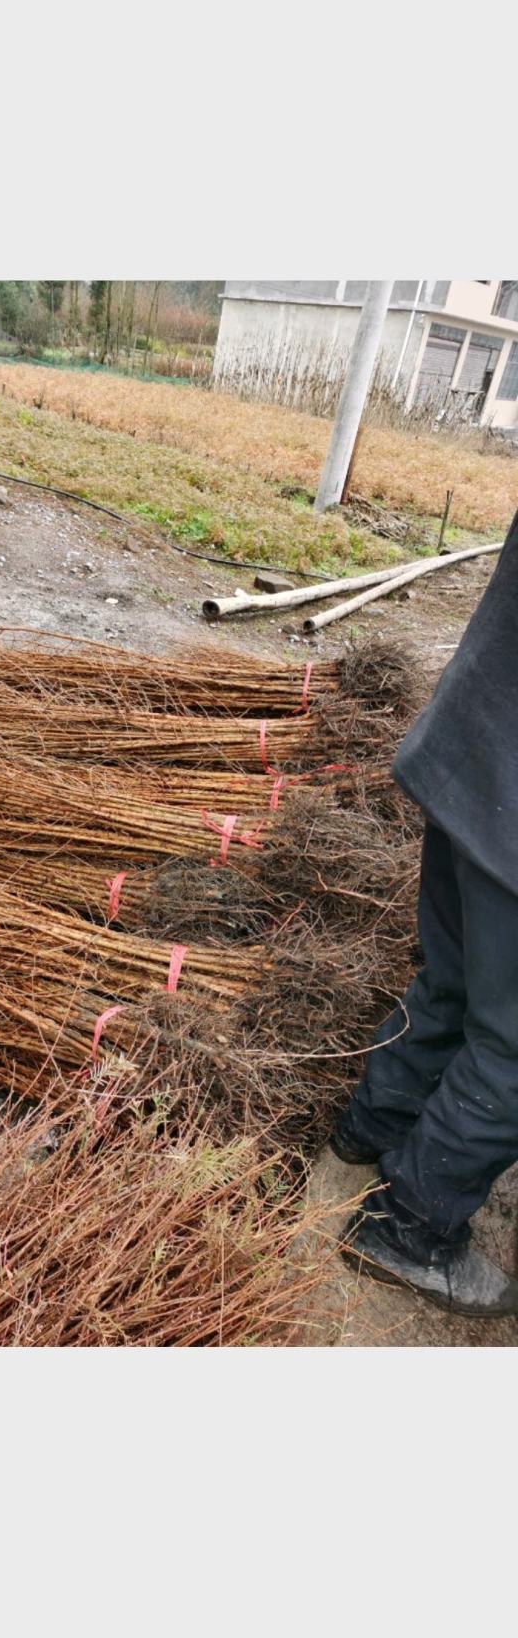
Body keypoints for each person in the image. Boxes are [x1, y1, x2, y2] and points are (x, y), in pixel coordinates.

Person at [332, 510, 518, 1317]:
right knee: (513, 1044)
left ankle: (370, 1129)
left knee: (450, 973)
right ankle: (409, 1225)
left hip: (472, 745)